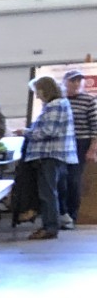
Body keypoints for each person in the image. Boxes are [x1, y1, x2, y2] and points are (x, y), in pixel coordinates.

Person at [21, 74, 78, 240]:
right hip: (55, 156)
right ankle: (50, 224)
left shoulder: (55, 105)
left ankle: (50, 227)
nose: (37, 95)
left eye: (37, 92)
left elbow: (48, 132)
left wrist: (26, 132)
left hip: (50, 155)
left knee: (47, 193)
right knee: (51, 192)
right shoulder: (60, 104)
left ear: (44, 90)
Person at [64, 69, 95, 226]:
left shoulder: (89, 100)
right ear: (65, 83)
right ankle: (61, 213)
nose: (76, 84)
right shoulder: (60, 100)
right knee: (61, 179)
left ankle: (72, 215)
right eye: (72, 81)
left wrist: (93, 148)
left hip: (80, 142)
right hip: (62, 143)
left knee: (74, 180)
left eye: (78, 81)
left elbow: (95, 126)